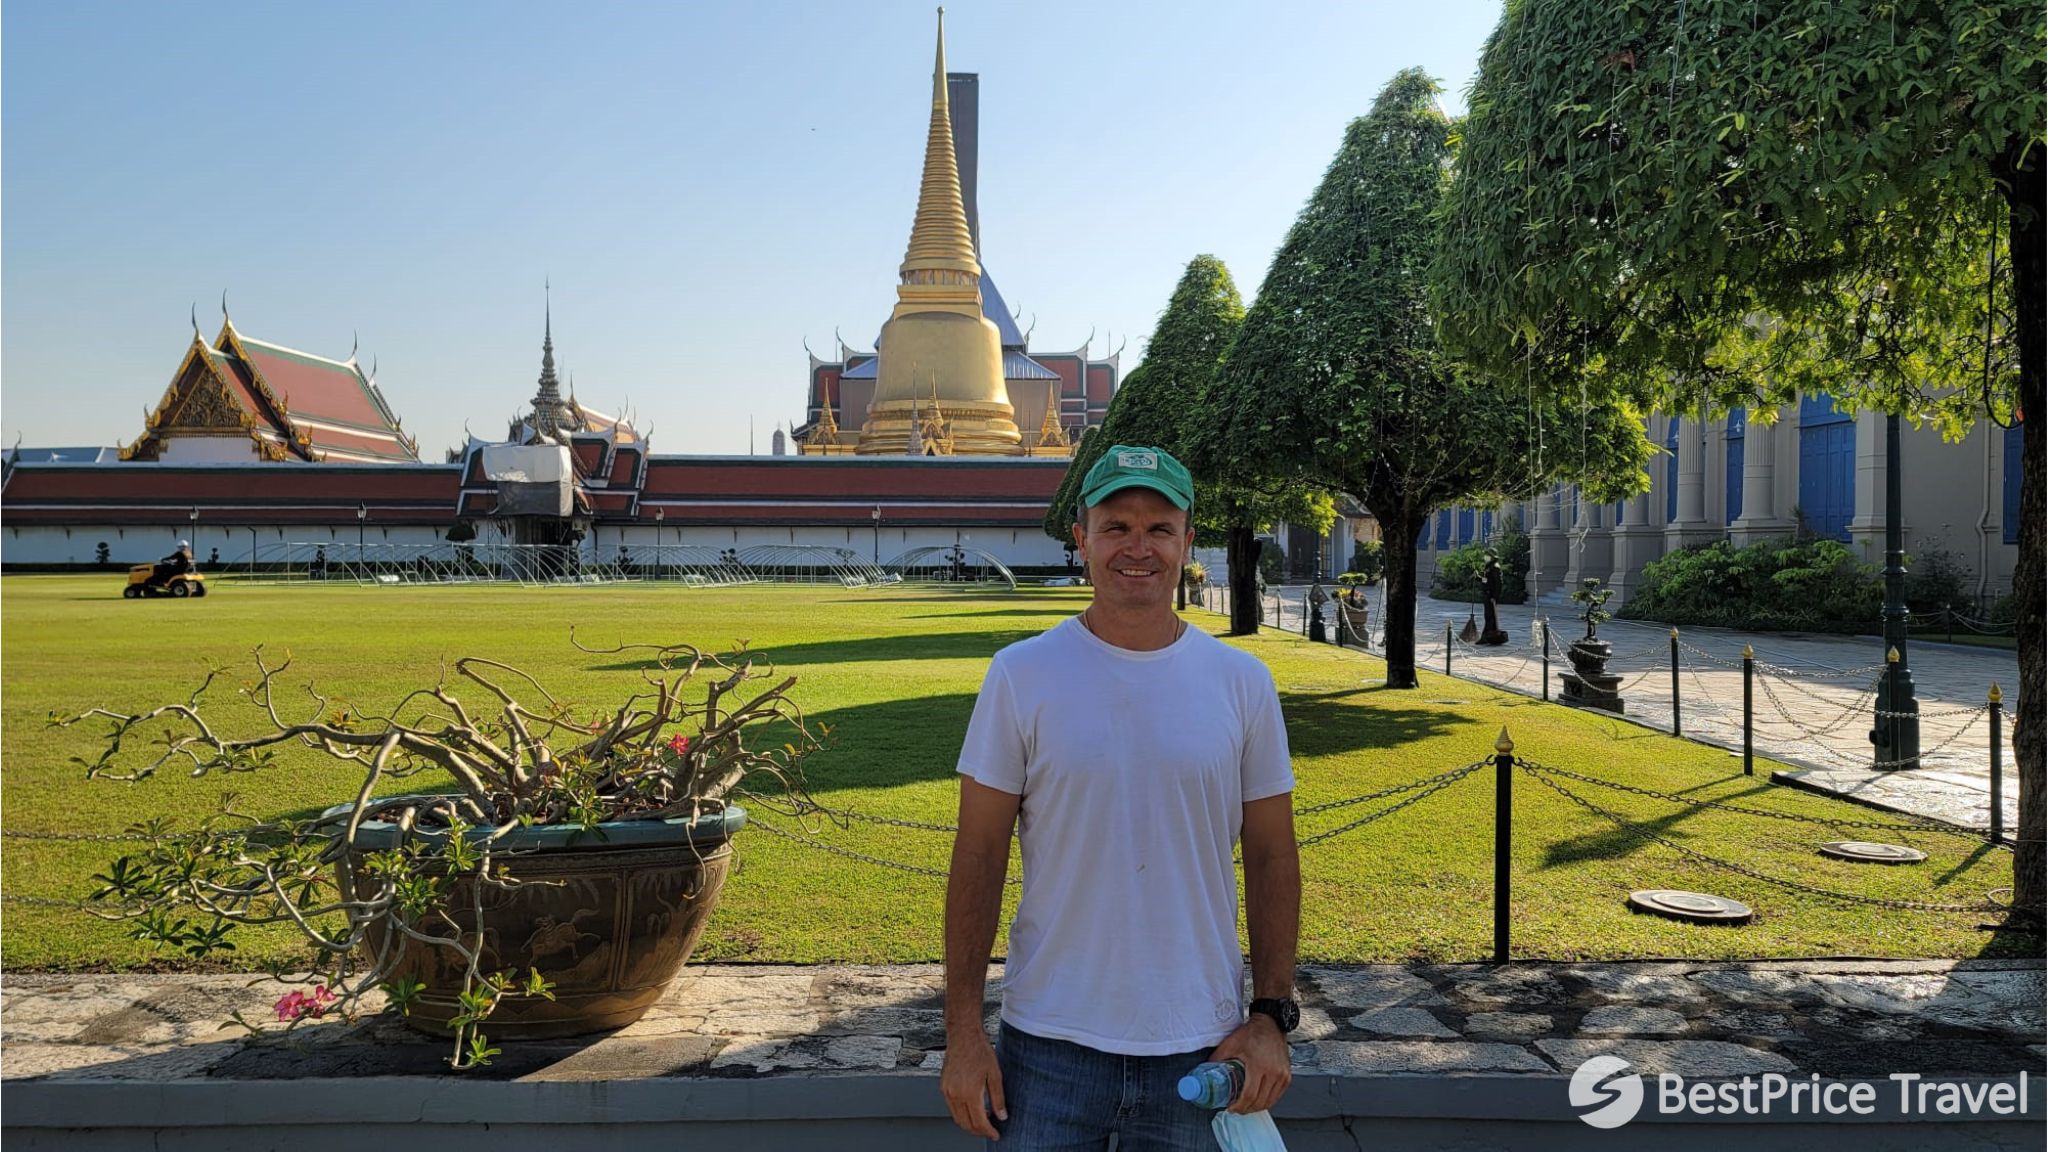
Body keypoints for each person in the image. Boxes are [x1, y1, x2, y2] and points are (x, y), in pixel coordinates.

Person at [942, 444, 1301, 1150]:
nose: (1137, 547)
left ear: (1187, 542)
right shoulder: (1021, 675)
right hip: (1047, 1046)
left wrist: (1269, 1016)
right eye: (1116, 527)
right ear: (1082, 539)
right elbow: (978, 855)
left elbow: (1271, 855)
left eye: (1159, 528)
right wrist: (962, 1032)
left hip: (1201, 1044)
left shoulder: (1241, 683)